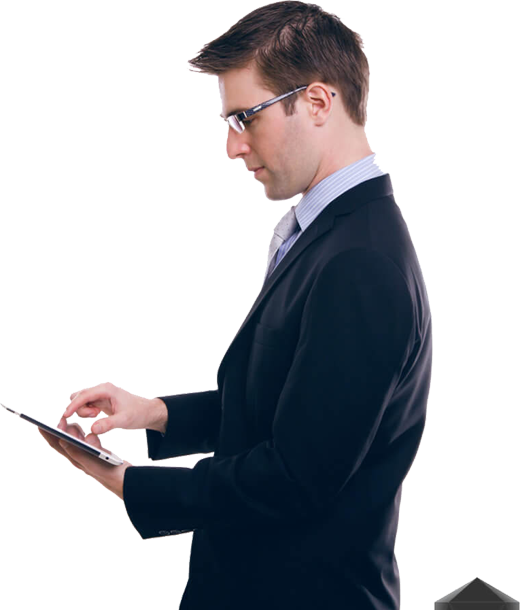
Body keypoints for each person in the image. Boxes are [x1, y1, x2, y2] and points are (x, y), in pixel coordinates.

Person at [45, 3, 432, 609]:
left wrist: (126, 482)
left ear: (317, 103)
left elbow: (294, 479)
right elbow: (286, 405)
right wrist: (150, 413)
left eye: (245, 118)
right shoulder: (328, 234)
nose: (233, 146)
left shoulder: (362, 263)